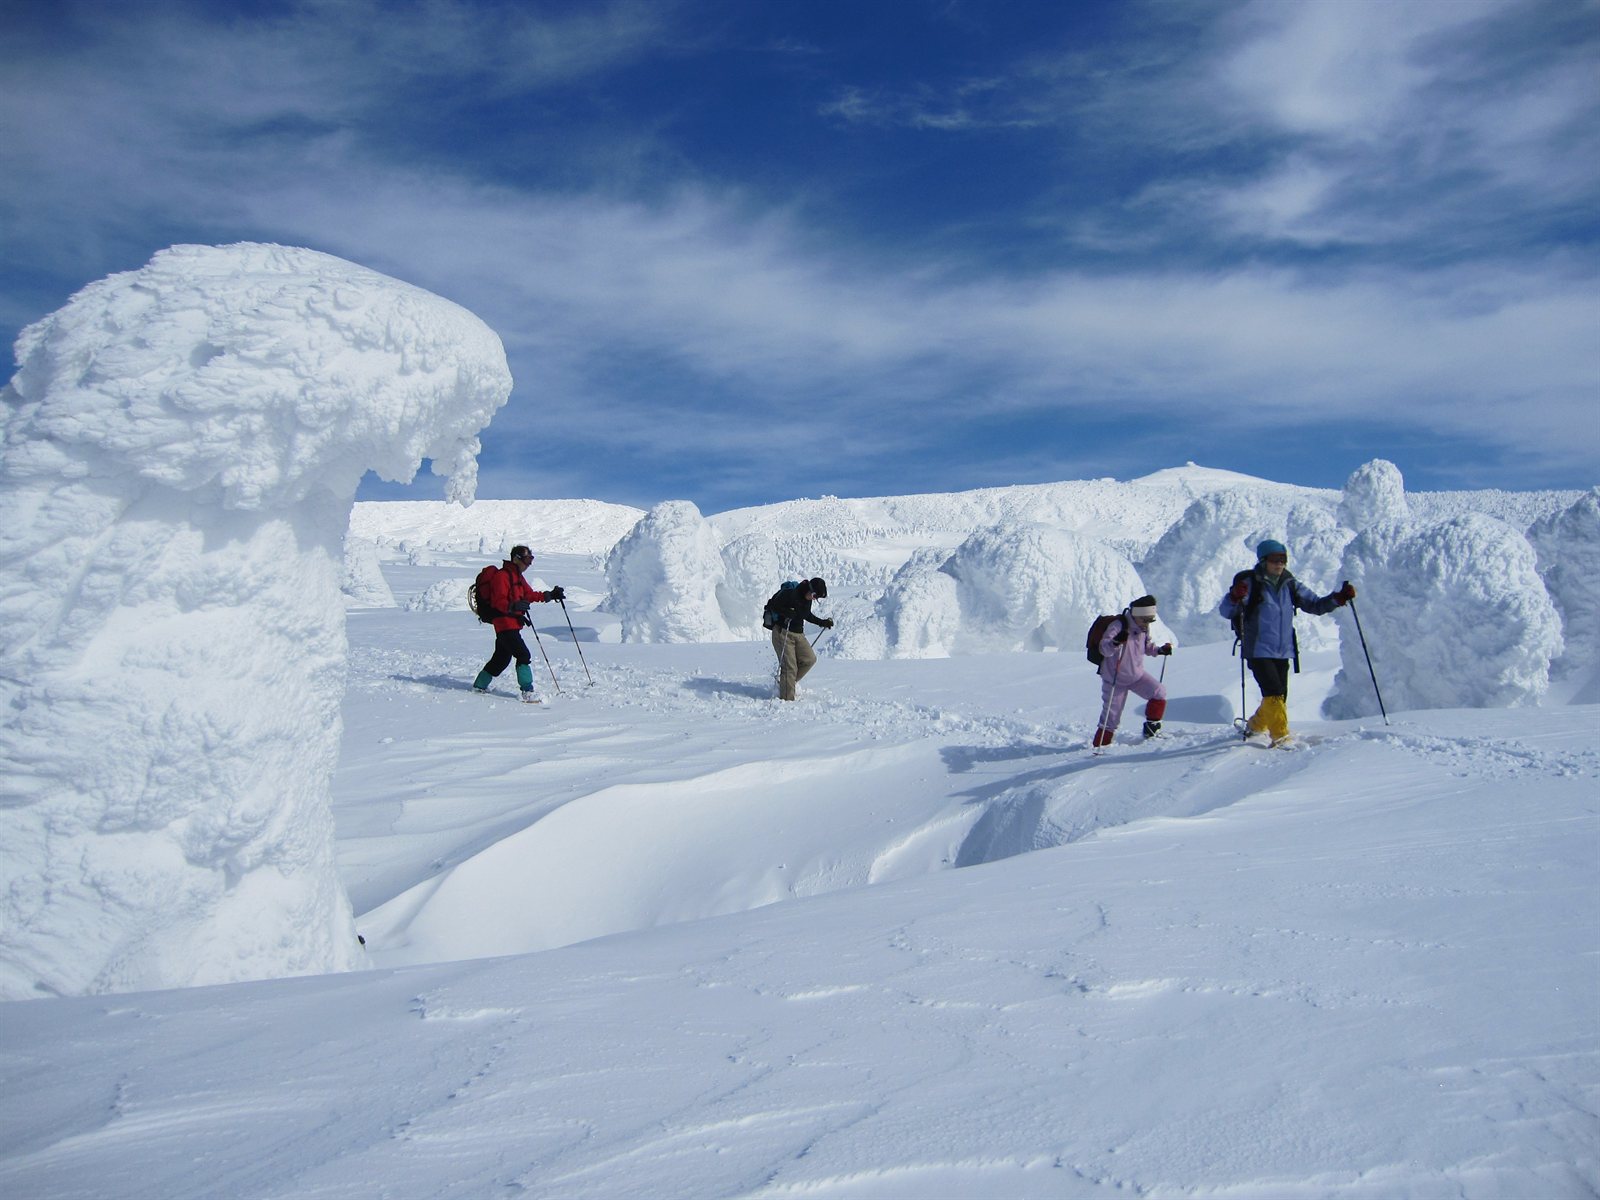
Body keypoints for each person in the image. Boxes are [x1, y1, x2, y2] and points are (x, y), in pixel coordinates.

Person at [1219, 539, 1355, 745]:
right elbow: (1227, 611)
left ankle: (1255, 726)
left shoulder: (1290, 585)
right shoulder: (1249, 584)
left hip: (1283, 650)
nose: (1280, 564)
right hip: (1257, 649)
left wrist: (1338, 598)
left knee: (1279, 696)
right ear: (1263, 560)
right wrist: (1234, 597)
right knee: (1273, 692)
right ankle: (1281, 737)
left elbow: (1316, 605)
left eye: (1283, 559)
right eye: (1275, 559)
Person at [472, 545, 566, 701]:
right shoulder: (502, 576)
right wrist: (513, 606)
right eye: (527, 559)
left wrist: (550, 595)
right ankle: (527, 691)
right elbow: (498, 602)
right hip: (504, 623)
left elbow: (529, 595)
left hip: (513, 623)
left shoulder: (517, 576)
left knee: (501, 659)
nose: (529, 564)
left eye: (531, 559)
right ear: (516, 558)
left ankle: (479, 686)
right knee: (523, 654)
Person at [1092, 595, 1173, 747]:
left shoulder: (1143, 628)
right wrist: (1116, 641)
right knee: (1111, 717)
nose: (1147, 623)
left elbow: (1147, 647)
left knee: (1159, 692)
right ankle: (1100, 747)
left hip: (1136, 676)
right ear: (1136, 614)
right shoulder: (1118, 626)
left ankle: (1152, 730)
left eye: (1151, 620)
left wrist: (1160, 650)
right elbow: (1104, 649)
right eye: (1145, 619)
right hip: (1114, 680)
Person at [766, 577, 833, 701]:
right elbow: (774, 606)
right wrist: (786, 612)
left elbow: (805, 614)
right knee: (790, 667)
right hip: (782, 632)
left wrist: (822, 622)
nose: (814, 598)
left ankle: (786, 683)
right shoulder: (790, 594)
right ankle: (786, 701)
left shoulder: (807, 599)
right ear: (809, 589)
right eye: (814, 595)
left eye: (816, 597)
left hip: (798, 634)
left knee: (809, 659)